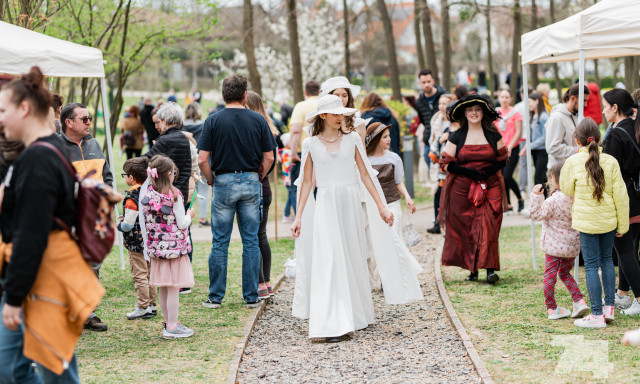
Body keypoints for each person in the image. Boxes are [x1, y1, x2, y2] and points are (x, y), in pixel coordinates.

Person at [0, 66, 104, 383]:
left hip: (44, 278)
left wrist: (14, 299)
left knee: (54, 370)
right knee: (16, 368)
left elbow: (32, 234)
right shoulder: (48, 151)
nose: (0, 118)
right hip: (37, 276)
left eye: (3, 110)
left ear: (24, 109)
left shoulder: (39, 159)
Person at [291, 94, 394, 342]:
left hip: (349, 205)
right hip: (326, 204)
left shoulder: (352, 141)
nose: (340, 117)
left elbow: (366, 176)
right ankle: (331, 322)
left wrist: (381, 206)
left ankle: (355, 315)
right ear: (323, 116)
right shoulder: (310, 144)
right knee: (330, 260)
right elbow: (306, 182)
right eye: (335, 113)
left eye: (343, 113)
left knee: (350, 257)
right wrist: (299, 216)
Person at [198, 74, 276, 309]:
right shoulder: (258, 120)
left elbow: (202, 159)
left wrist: (211, 178)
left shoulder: (212, 121)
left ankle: (215, 296)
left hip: (222, 181)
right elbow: (270, 156)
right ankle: (251, 295)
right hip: (251, 180)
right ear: (244, 95)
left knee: (220, 241)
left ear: (223, 95)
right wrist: (260, 173)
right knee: (251, 240)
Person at [560, 118, 629, 328]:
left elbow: (566, 189)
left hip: (587, 222)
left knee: (591, 265)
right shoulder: (610, 161)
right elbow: (621, 195)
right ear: (599, 139)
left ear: (577, 140)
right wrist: (622, 225)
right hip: (609, 221)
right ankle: (608, 308)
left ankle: (597, 315)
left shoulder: (572, 162)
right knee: (607, 260)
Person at [439, 95, 508, 283]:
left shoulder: (493, 135)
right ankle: (472, 270)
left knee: (489, 226)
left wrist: (486, 171)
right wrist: (469, 172)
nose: (474, 113)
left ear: (483, 112)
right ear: (464, 113)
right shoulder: (457, 135)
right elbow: (445, 163)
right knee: (468, 228)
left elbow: (503, 160)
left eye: (478, 109)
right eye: (470, 110)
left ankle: (490, 270)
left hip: (490, 185)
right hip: (462, 189)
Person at [59, 101, 113, 332]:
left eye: (89, 118)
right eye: (84, 119)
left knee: (93, 266)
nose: (89, 123)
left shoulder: (94, 144)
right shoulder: (56, 148)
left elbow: (107, 175)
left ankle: (87, 313)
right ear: (68, 122)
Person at [365, 122, 424, 304]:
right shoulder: (365, 161)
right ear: (375, 139)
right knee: (377, 242)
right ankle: (385, 276)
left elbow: (398, 181)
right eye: (385, 137)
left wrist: (407, 197)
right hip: (374, 206)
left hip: (392, 204)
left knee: (393, 237)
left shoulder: (394, 159)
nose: (389, 139)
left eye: (389, 136)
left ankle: (405, 272)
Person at [139, 155, 195, 338]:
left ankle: (168, 322)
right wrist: (190, 215)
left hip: (157, 249)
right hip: (174, 250)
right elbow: (181, 223)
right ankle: (172, 326)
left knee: (163, 287)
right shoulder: (175, 196)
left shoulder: (148, 195)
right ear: (170, 174)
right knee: (172, 288)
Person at [529, 161, 588, 320]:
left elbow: (536, 215)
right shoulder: (578, 198)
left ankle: (552, 308)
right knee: (565, 273)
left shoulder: (553, 201)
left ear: (556, 180)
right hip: (572, 247)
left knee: (550, 275)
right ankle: (579, 301)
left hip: (553, 247)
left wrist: (536, 196)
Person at [601, 89, 640, 315]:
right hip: (635, 196)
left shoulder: (616, 134)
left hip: (624, 198)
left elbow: (610, 173)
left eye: (605, 107)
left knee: (624, 250)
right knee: (630, 248)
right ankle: (623, 295)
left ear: (615, 108)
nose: (604, 111)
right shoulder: (634, 128)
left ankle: (637, 298)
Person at [245, 91, 279, 300]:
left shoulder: (255, 129)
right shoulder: (268, 128)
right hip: (265, 188)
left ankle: (260, 282)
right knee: (261, 235)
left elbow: (268, 159)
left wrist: (257, 176)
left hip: (256, 186)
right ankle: (265, 281)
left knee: (253, 237)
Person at [117, 157, 157, 320]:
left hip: (136, 243)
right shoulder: (151, 191)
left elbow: (128, 225)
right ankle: (153, 304)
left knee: (139, 274)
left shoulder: (132, 198)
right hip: (151, 240)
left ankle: (143, 306)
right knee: (150, 274)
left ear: (131, 178)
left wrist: (119, 224)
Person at [145, 102, 191, 208]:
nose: (157, 126)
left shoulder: (166, 140)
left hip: (168, 193)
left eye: (159, 122)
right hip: (181, 190)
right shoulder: (183, 138)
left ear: (165, 121)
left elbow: (147, 159)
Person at [288, 81, 320, 222]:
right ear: (319, 92)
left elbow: (295, 131)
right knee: (319, 188)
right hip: (323, 152)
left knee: (299, 187)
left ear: (305, 92)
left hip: (304, 154)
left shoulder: (301, 106)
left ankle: (302, 219)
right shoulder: (323, 105)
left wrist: (293, 154)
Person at [426, 94, 454, 234]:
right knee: (438, 192)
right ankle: (438, 221)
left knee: (448, 193)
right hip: (439, 161)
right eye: (441, 103)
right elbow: (433, 138)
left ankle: (448, 223)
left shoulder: (454, 123)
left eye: (445, 104)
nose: (442, 106)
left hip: (450, 162)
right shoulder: (436, 120)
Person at [545, 84, 590, 169]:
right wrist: (578, 151)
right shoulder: (557, 118)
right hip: (559, 171)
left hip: (574, 168)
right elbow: (552, 147)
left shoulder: (579, 117)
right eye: (583, 100)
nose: (586, 104)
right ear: (572, 98)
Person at [495, 89, 524, 212]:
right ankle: (508, 205)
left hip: (513, 147)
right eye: (502, 97)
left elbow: (518, 132)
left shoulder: (515, 113)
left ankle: (520, 198)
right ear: (499, 98)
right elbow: (494, 131)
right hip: (499, 149)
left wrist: (510, 147)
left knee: (507, 176)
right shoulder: (495, 113)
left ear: (510, 99)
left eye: (507, 97)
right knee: (501, 176)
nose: (504, 99)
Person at [183, 102, 210, 227]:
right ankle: (203, 219)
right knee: (203, 190)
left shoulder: (181, 127)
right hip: (200, 161)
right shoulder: (205, 126)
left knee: (187, 190)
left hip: (185, 163)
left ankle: (186, 216)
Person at [319, 76, 367, 143]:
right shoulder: (320, 122)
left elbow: (362, 151)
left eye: (344, 96)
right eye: (336, 95)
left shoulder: (358, 124)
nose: (341, 99)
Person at [416, 69, 446, 160]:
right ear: (420, 83)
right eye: (423, 82)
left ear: (433, 81)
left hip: (444, 141)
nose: (426, 85)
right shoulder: (419, 102)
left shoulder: (444, 96)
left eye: (428, 81)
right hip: (428, 143)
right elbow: (422, 121)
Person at [525, 92, 550, 194]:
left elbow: (545, 137)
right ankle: (547, 202)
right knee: (542, 180)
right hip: (535, 152)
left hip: (542, 152)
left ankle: (540, 203)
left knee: (538, 179)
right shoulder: (532, 116)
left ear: (536, 101)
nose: (528, 105)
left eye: (529, 102)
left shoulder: (544, 116)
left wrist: (530, 146)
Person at [279, 133, 294, 222]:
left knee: (290, 197)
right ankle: (286, 215)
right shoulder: (288, 153)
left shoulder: (283, 152)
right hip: (290, 179)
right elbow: (291, 166)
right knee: (292, 197)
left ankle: (286, 215)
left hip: (287, 179)